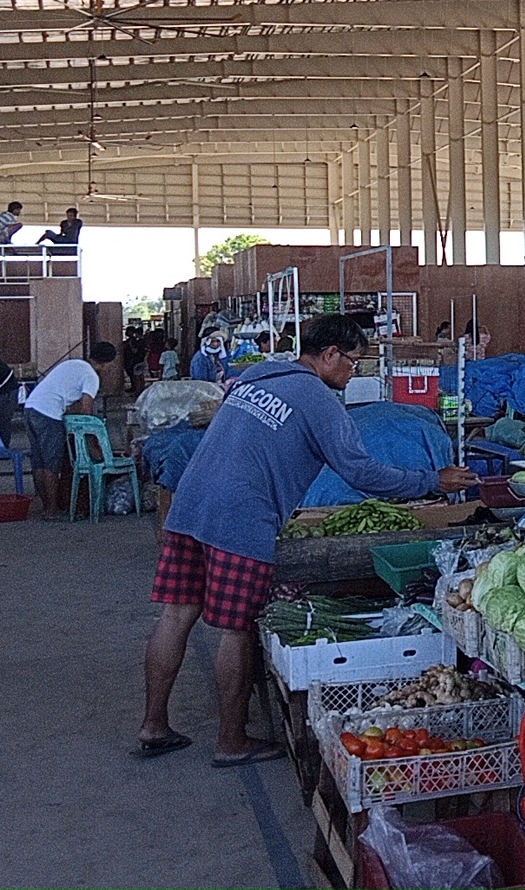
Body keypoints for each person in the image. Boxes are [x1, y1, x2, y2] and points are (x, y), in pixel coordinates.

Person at [138, 315, 477, 765]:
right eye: (353, 362)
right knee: (237, 630)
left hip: (191, 503)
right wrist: (432, 479)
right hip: (242, 517)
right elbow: (361, 472)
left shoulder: (259, 374)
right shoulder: (318, 399)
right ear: (330, 354)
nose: (354, 372)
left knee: (176, 615)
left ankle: (153, 724)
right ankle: (231, 741)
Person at [24, 342, 117, 517]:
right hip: (48, 414)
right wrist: (91, 443)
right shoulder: (91, 376)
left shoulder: (72, 364)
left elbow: (68, 401)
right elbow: (86, 411)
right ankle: (51, 511)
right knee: (51, 464)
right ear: (106, 362)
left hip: (30, 408)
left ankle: (46, 507)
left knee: (39, 462)